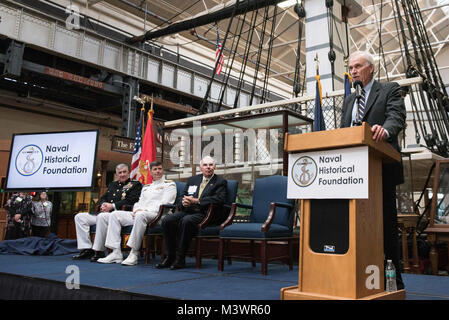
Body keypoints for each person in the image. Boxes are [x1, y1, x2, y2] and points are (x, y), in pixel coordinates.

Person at [341, 51, 406, 290]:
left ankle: (394, 282)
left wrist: (385, 131)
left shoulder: (389, 89)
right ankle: (356, 279)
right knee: (353, 229)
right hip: (349, 174)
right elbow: (343, 132)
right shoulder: (348, 101)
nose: (353, 71)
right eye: (350, 67)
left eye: (357, 66)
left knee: (386, 228)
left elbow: (396, 117)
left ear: (371, 69)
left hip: (381, 172)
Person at [97, 161, 177, 265]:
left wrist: (143, 211)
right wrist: (136, 210)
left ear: (163, 170)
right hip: (141, 214)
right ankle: (115, 252)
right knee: (114, 215)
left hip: (159, 216)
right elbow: (139, 202)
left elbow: (165, 203)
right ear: (151, 172)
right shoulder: (147, 187)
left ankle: (133, 253)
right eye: (155, 169)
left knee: (140, 215)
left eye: (159, 169)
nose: (157, 171)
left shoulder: (169, 184)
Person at [156, 156, 227, 270]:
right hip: (189, 210)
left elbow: (219, 199)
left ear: (214, 167)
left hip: (206, 214)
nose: (208, 167)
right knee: (167, 220)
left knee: (186, 221)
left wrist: (198, 201)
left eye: (210, 165)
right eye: (205, 165)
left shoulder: (220, 181)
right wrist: (183, 202)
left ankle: (180, 258)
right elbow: (181, 196)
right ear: (200, 167)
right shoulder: (193, 179)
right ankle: (170, 256)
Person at [72, 163, 142, 261]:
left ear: (128, 172)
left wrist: (112, 206)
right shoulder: (112, 184)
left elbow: (132, 200)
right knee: (79, 217)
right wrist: (102, 205)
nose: (122, 174)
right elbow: (104, 197)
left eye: (124, 172)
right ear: (116, 174)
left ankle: (99, 251)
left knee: (102, 217)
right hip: (105, 212)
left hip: (119, 214)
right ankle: (86, 249)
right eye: (120, 173)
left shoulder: (134, 185)